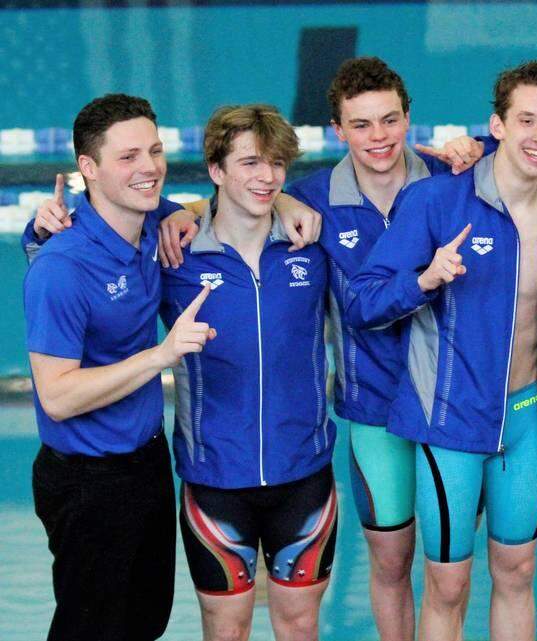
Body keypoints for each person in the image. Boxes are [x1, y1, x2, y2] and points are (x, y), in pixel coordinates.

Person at [155, 56, 537, 641]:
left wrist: (485, 140)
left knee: (461, 571)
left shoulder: (447, 178)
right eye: (361, 125)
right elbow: (243, 199)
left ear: (410, 119)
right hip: (377, 407)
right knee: (391, 562)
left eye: (389, 120)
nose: (378, 137)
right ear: (338, 131)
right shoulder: (310, 200)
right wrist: (184, 211)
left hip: (452, 400)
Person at [345, 60, 537, 641]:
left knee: (518, 570)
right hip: (450, 422)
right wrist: (422, 280)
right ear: (496, 125)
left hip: (527, 416)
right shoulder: (436, 202)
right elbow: (362, 301)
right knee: (448, 584)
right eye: (525, 120)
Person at [23, 93, 211, 641]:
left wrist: (180, 210)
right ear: (88, 168)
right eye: (128, 157)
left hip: (146, 463)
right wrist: (161, 355)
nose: (148, 167)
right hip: (86, 478)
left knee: (145, 622)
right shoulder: (62, 267)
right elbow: (55, 396)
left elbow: (225, 199)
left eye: (153, 151)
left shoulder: (151, 225)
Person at [160, 104, 336, 641]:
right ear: (216, 171)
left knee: (300, 625)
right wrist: (37, 231)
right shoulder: (176, 253)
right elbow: (104, 225)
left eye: (277, 164)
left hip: (303, 475)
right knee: (226, 629)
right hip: (215, 480)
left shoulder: (311, 244)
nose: (267, 177)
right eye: (251, 163)